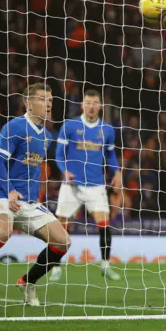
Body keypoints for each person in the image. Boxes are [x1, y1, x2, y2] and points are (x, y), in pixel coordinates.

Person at [0, 83, 70, 307]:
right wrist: (9, 189)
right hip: (1, 194)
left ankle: (27, 282)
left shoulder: (47, 136)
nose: (48, 104)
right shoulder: (14, 127)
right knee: (2, 231)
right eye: (42, 99)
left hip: (28, 202)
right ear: (27, 103)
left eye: (50, 100)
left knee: (63, 242)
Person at [50, 89, 122, 282]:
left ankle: (105, 266)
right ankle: (56, 267)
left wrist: (117, 171)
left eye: (95, 102)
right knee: (61, 228)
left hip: (96, 185)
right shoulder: (70, 125)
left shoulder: (107, 130)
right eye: (88, 102)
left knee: (104, 224)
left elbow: (111, 155)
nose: (91, 106)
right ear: (82, 105)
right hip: (71, 185)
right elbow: (58, 154)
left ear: (100, 105)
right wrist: (64, 170)